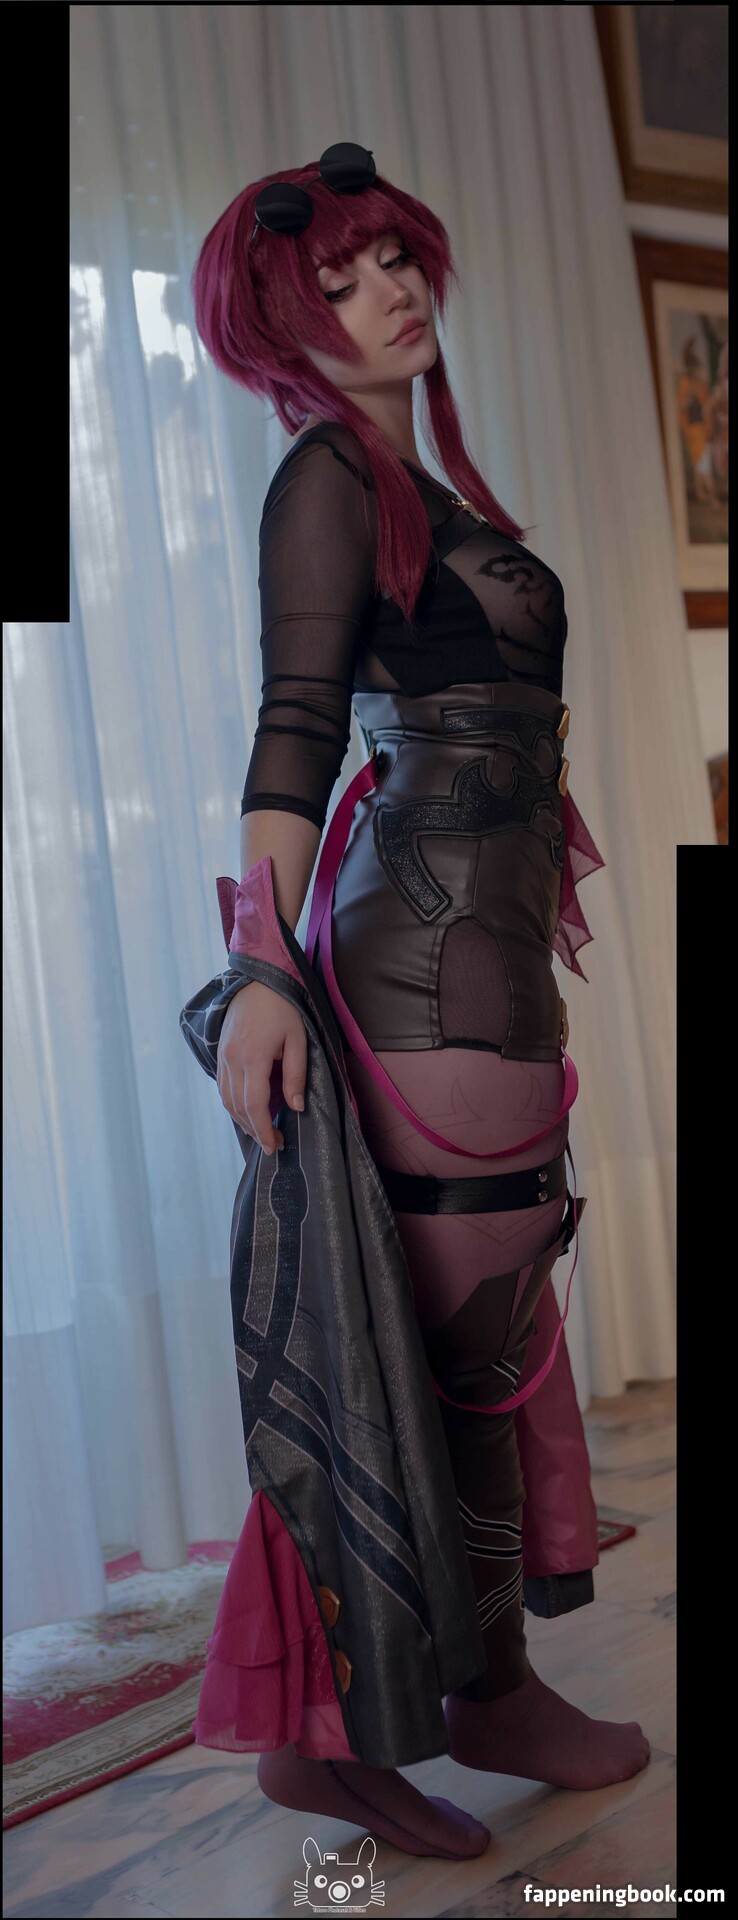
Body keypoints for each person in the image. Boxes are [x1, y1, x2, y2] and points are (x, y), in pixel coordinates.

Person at [189, 143, 649, 1859]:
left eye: (393, 259)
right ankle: (334, 1732)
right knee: (416, 1352)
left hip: (478, 959)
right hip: (420, 973)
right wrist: (260, 967)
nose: (388, 291)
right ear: (282, 325)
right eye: (340, 278)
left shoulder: (412, 491)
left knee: (490, 1339)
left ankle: (486, 1687)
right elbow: (294, 729)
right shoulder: (324, 476)